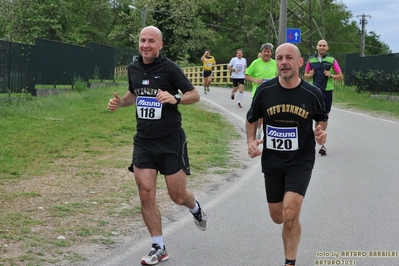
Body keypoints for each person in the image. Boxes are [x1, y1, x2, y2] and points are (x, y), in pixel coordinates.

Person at [108, 26, 208, 266]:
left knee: (177, 196)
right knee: (146, 192)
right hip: (144, 140)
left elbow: (194, 94)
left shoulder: (169, 68)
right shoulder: (133, 68)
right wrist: (120, 102)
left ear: (160, 45)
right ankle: (158, 246)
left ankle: (194, 207)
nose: (146, 45)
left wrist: (175, 98)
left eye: (151, 41)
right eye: (142, 40)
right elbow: (134, 93)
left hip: (171, 140)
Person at [246, 43, 328, 266]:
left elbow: (321, 118)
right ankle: (291, 220)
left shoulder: (313, 93)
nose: (284, 62)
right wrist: (250, 141)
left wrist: (320, 132)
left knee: (290, 213)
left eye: (289, 58)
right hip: (272, 161)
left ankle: (290, 262)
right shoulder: (265, 90)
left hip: (300, 160)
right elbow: (251, 117)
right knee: (278, 217)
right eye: (280, 58)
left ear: (300, 63)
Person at [304, 39, 343, 155]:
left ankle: (321, 142)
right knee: (310, 115)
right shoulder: (311, 60)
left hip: (327, 92)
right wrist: (309, 75)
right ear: (317, 47)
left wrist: (330, 75)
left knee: (324, 117)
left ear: (327, 48)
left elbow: (340, 76)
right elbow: (305, 76)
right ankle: (312, 140)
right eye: (320, 45)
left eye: (324, 46)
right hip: (313, 91)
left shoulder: (332, 60)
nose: (322, 47)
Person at [245, 43, 278, 139]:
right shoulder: (256, 63)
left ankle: (264, 131)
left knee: (269, 113)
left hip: (271, 92)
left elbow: (279, 76)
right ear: (261, 52)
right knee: (257, 114)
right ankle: (256, 131)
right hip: (258, 92)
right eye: (265, 51)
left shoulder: (275, 63)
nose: (266, 53)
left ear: (271, 53)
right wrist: (255, 80)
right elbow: (246, 75)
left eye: (268, 51)